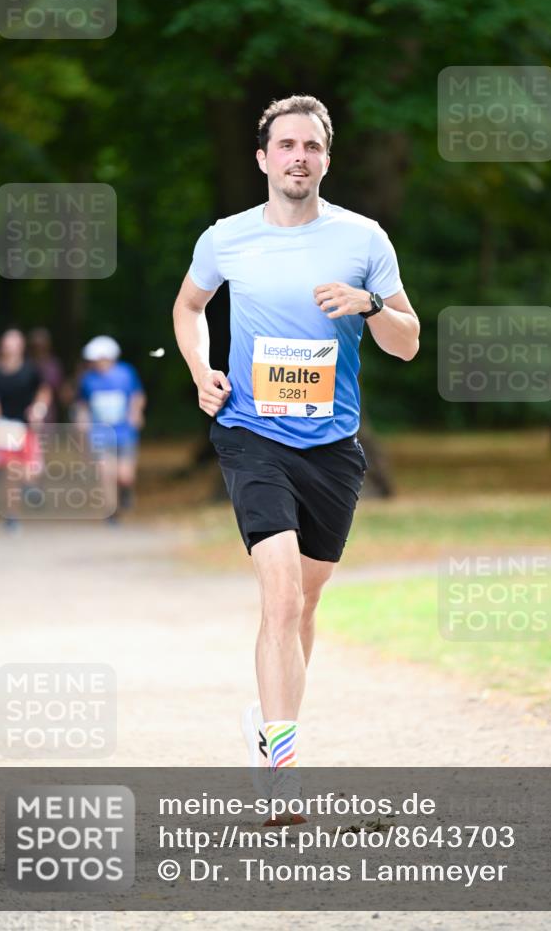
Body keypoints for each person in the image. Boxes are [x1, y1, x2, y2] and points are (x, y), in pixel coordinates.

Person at [173, 95, 420, 818]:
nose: (297, 157)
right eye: (285, 145)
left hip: (333, 448)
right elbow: (188, 308)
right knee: (279, 597)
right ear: (262, 157)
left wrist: (370, 306)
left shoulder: (363, 240)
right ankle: (280, 772)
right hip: (251, 435)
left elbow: (407, 341)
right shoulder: (226, 238)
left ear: (326, 158)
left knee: (305, 604)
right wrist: (201, 371)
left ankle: (269, 721)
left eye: (310, 146)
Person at [0, 329, 51, 529]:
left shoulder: (31, 370)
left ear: (21, 346)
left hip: (25, 427)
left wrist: (38, 410)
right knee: (10, 472)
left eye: (14, 343)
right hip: (3, 427)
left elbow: (44, 391)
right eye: (7, 343)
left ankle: (29, 486)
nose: (10, 347)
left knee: (30, 471)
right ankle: (12, 516)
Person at [76, 336, 146, 520]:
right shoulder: (88, 379)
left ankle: (125, 492)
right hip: (100, 434)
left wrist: (135, 413)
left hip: (124, 432)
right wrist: (82, 422)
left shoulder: (125, 373)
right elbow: (83, 404)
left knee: (125, 475)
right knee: (106, 473)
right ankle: (111, 510)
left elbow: (137, 396)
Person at [27, 327, 64, 423]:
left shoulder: (52, 366)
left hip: (47, 416)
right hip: (26, 413)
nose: (38, 348)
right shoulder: (26, 364)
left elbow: (51, 389)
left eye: (41, 345)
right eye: (35, 346)